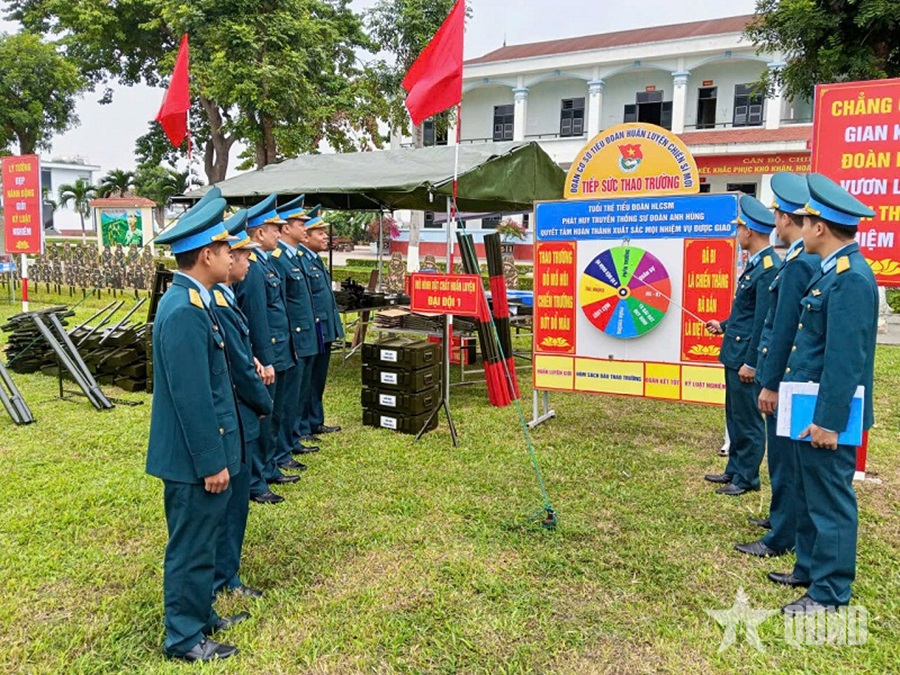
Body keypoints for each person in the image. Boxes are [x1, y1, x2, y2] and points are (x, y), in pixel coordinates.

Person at [770, 173, 878, 615]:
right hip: (809, 407)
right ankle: (810, 568)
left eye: (806, 221)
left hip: (828, 414)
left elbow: (845, 360)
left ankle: (830, 591)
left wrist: (829, 421)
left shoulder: (851, 278)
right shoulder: (832, 271)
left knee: (830, 500)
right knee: (811, 492)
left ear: (820, 227)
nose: (800, 227)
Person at [146, 197, 247, 663]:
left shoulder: (195, 302)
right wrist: (211, 461)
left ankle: (200, 614)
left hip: (200, 452)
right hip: (191, 459)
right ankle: (184, 637)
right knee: (189, 546)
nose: (231, 256)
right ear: (206, 255)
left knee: (203, 539)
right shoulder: (184, 310)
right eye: (225, 250)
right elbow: (192, 396)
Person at [733, 173, 819, 558]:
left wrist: (769, 380)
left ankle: (782, 535)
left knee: (785, 461)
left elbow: (783, 328)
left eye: (778, 216)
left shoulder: (798, 263)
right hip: (785, 376)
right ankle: (780, 518)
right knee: (783, 460)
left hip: (785, 379)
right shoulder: (798, 260)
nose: (776, 224)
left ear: (785, 218)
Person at [211, 209, 273, 599]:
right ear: (226, 257)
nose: (249, 262)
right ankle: (224, 578)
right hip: (235, 414)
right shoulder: (214, 302)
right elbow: (238, 368)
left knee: (235, 508)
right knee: (230, 508)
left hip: (238, 415)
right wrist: (265, 403)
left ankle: (227, 574)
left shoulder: (222, 296)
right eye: (243, 254)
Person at [704, 195, 778, 496]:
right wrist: (723, 324)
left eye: (739, 229)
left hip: (746, 358)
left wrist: (752, 363)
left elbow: (763, 321)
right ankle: (734, 469)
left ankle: (747, 477)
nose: (737, 234)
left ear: (749, 231)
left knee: (748, 419)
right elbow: (746, 312)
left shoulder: (768, 268)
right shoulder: (757, 264)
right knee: (735, 416)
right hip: (735, 352)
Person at [233, 194, 298, 504]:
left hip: (279, 350)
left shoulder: (264, 263)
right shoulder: (254, 268)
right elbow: (256, 318)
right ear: (259, 232)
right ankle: (256, 481)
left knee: (275, 415)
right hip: (268, 353)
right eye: (275, 230)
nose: (279, 234)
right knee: (264, 416)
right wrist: (264, 359)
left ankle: (269, 466)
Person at [269, 195, 319, 471]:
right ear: (286, 228)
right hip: (291, 338)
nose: (305, 228)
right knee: (286, 399)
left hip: (302, 335)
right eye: (301, 223)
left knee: (296, 394)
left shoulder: (294, 257)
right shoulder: (278, 259)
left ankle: (291, 439)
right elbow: (282, 305)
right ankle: (282, 449)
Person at [298, 205, 344, 437]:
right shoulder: (301, 261)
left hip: (324, 327)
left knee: (318, 379)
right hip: (313, 328)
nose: (326, 236)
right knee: (306, 381)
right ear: (305, 237)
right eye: (320, 233)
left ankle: (315, 420)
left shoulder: (314, 259)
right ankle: (302, 425)